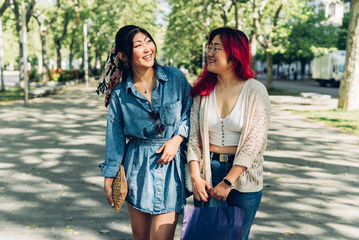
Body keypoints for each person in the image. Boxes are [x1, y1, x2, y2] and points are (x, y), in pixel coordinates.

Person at [97, 25, 192, 240]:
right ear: (124, 55)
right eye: (138, 45)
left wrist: (177, 139)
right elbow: (114, 137)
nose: (147, 48)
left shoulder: (175, 78)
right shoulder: (121, 94)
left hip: (171, 169)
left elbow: (190, 112)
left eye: (149, 41)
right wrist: (109, 177)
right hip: (137, 170)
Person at [186, 27, 271, 240]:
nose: (210, 53)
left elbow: (255, 140)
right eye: (209, 47)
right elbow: (194, 138)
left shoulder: (255, 90)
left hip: (245, 174)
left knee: (236, 237)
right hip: (208, 172)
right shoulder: (202, 91)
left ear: (235, 53)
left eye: (217, 48)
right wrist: (196, 177)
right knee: (206, 236)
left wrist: (228, 181)